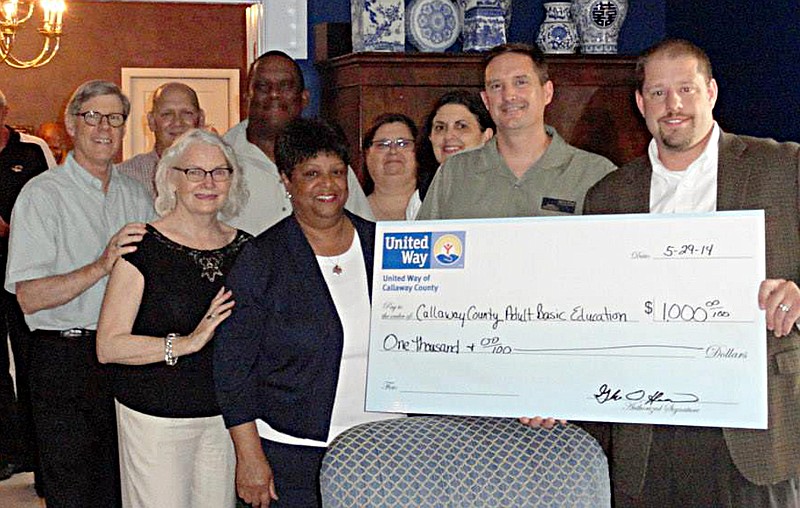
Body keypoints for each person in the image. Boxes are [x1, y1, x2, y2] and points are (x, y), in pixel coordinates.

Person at [583, 39, 800, 507]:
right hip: (646, 438)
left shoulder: (785, 167)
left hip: (757, 433)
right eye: (658, 93)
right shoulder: (607, 197)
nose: (673, 104)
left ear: (712, 92)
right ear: (640, 103)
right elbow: (587, 313)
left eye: (686, 88)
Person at [214, 117, 404, 507]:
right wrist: (249, 457)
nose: (328, 185)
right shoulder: (261, 259)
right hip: (292, 454)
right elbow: (233, 369)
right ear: (286, 180)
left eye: (337, 172)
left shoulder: (385, 248)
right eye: (311, 174)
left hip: (386, 448)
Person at [4, 80, 155, 508]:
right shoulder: (41, 196)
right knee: (73, 492)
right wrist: (100, 266)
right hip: (64, 362)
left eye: (115, 117)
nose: (104, 127)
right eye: (93, 116)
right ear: (72, 124)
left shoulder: (136, 194)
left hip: (126, 360)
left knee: (123, 487)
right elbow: (29, 297)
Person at [97, 128, 250, 507]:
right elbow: (109, 346)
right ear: (171, 178)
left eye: (220, 171)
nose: (208, 182)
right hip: (155, 419)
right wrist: (187, 343)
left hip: (225, 419)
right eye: (194, 171)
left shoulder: (249, 249)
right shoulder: (140, 246)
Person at [417, 43, 616, 220]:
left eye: (520, 82)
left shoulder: (595, 173)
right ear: (486, 100)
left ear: (547, 92)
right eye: (496, 86)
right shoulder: (454, 173)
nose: (509, 95)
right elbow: (424, 252)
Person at [223, 50, 373, 236]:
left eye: (285, 86)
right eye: (263, 87)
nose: (274, 94)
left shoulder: (330, 162)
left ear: (304, 98)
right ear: (246, 97)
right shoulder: (220, 160)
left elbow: (364, 234)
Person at [0, 90, 55, 488]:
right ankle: (8, 453)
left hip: (26, 278)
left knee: (34, 363)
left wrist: (9, 229)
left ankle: (41, 461)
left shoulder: (33, 151)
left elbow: (54, 205)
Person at [116, 82, 205, 199]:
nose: (178, 122)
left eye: (187, 113)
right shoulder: (124, 177)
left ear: (201, 120)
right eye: (167, 114)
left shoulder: (218, 177)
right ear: (151, 121)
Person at [417, 89, 495, 198]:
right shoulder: (421, 198)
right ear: (430, 137)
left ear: (487, 136)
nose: (448, 136)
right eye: (440, 127)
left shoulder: (504, 190)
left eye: (461, 126)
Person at [362, 113, 422, 220]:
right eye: (383, 145)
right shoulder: (351, 212)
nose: (393, 151)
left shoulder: (437, 208)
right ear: (367, 154)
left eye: (403, 144)